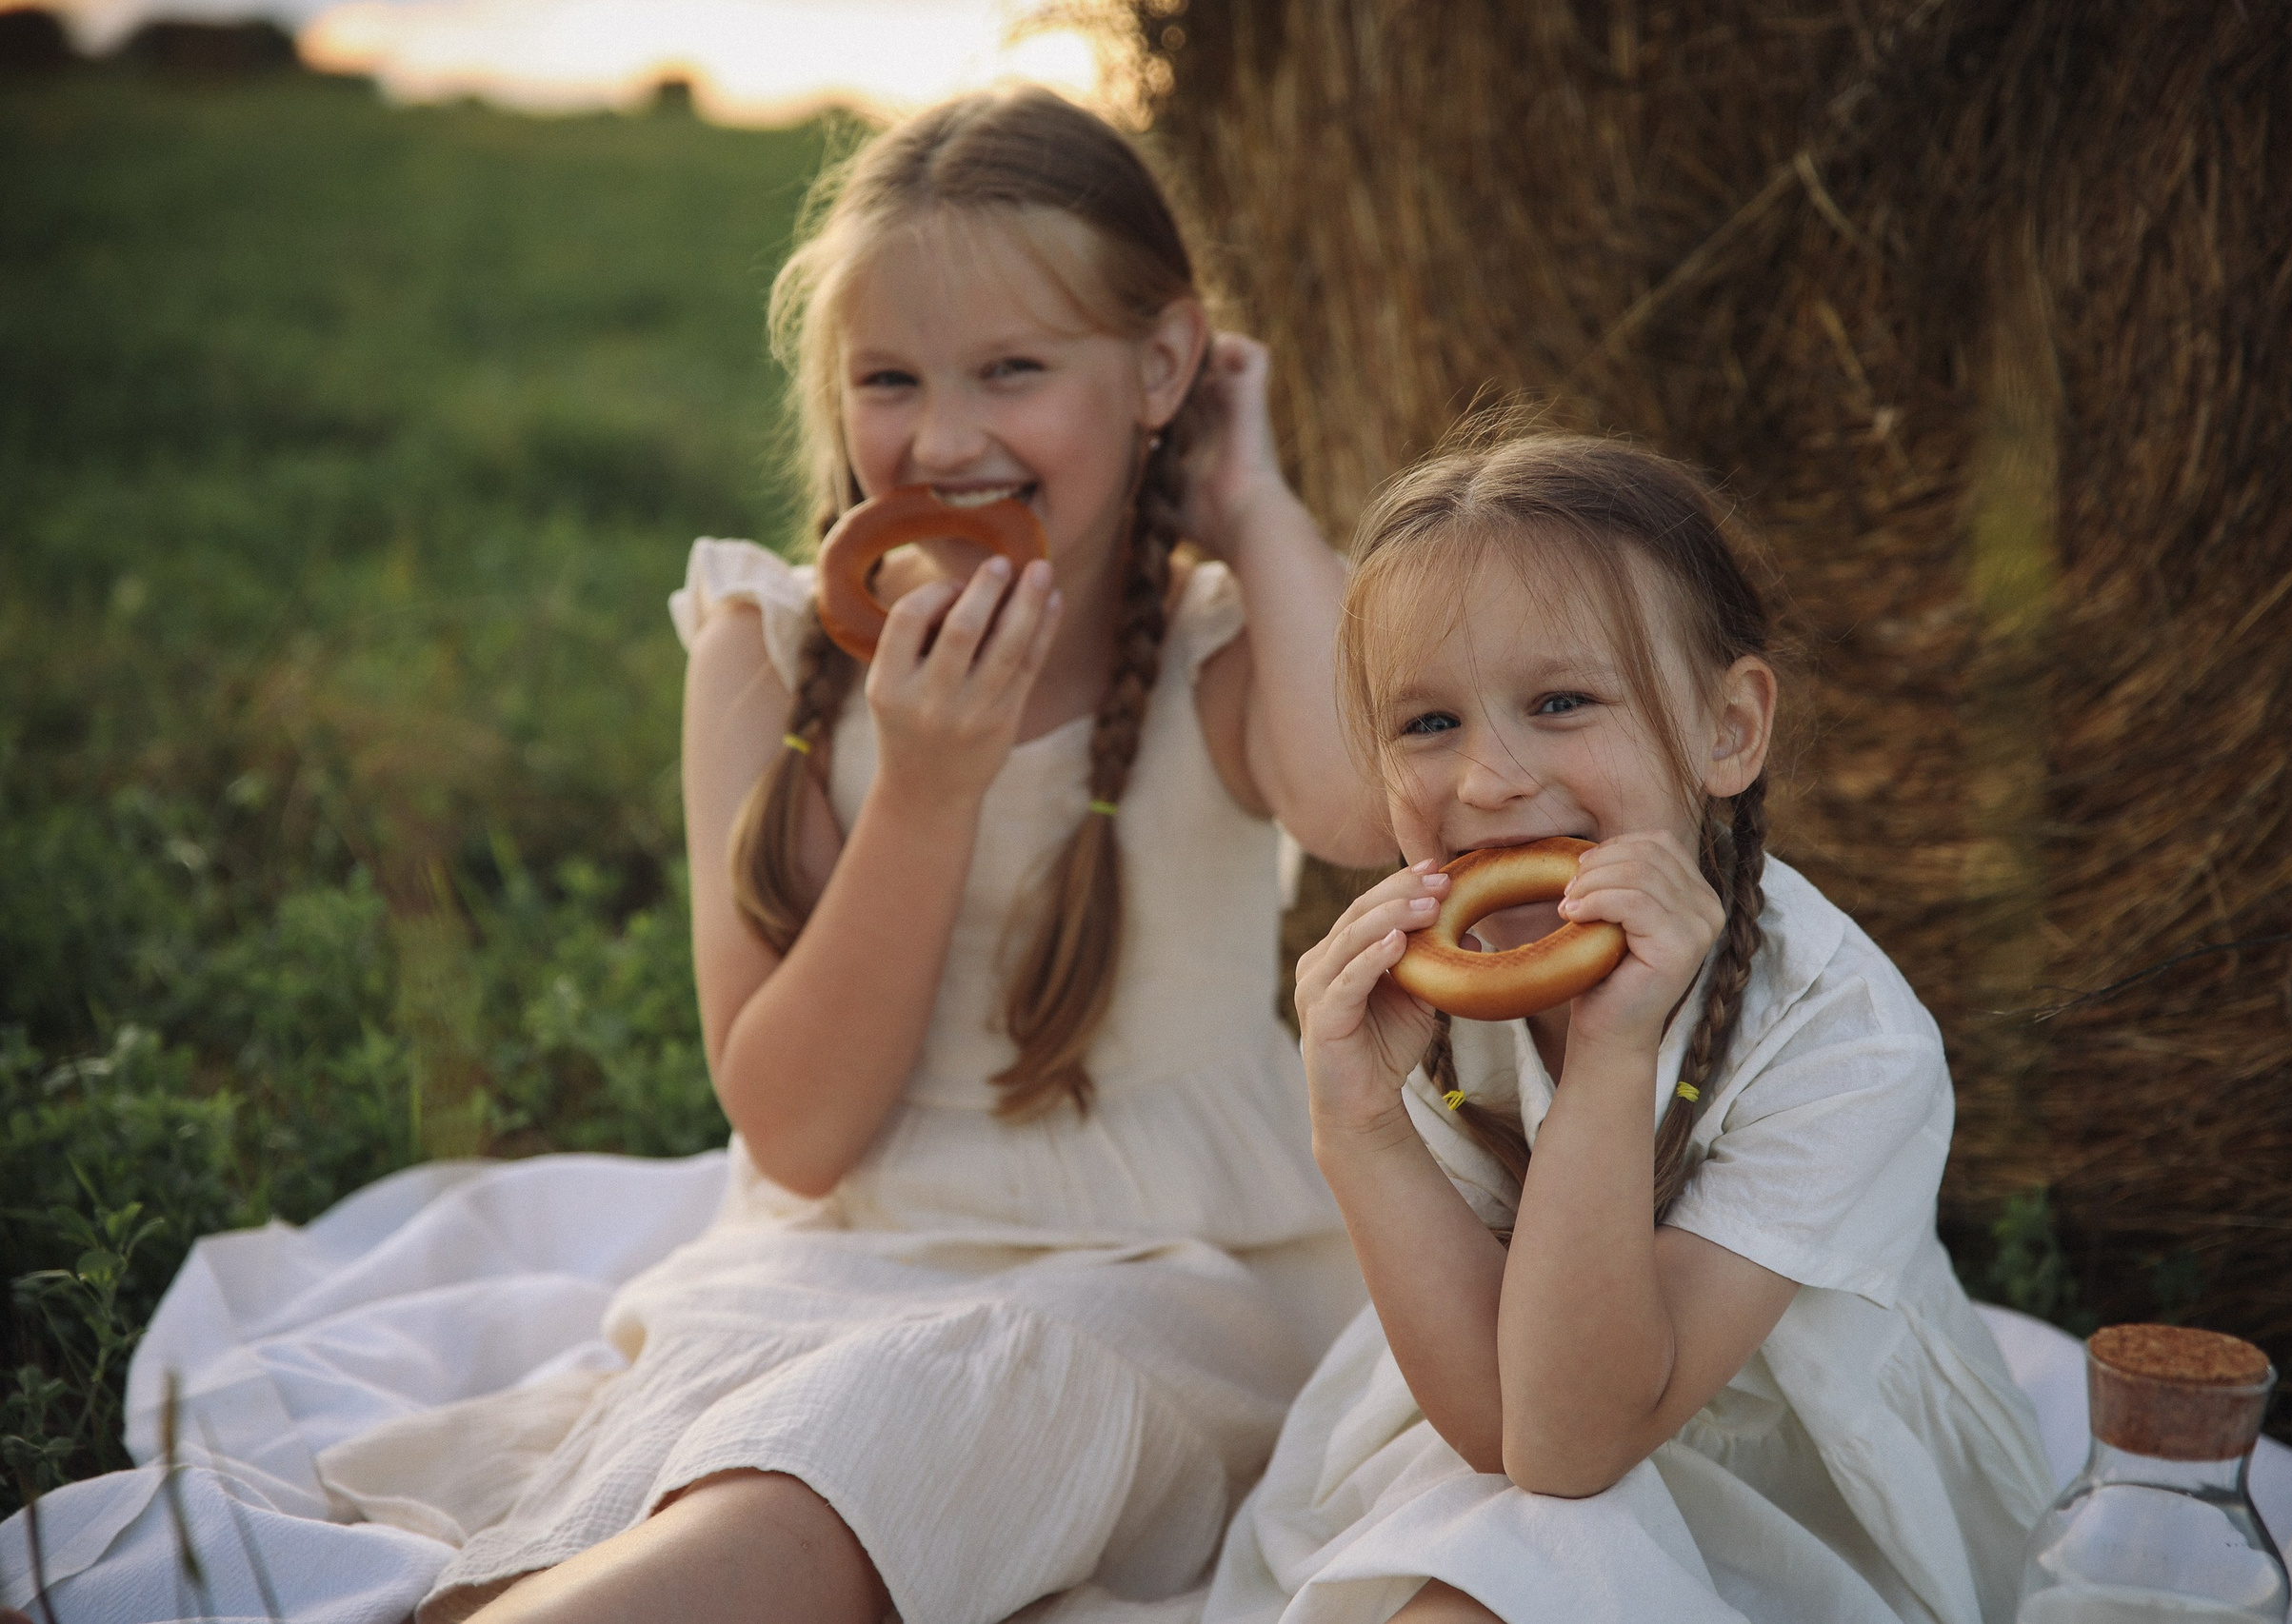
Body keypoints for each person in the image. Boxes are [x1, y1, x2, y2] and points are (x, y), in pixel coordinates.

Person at [415, 86, 1391, 1623]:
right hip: (848, 1249)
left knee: (939, 1414)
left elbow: (1361, 804)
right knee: (749, 1458)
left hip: (1169, 1268)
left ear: (1159, 367)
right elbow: (798, 1131)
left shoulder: (1216, 653)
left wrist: (1251, 495)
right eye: (889, 379)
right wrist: (925, 790)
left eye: (1013, 369)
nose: (941, 439)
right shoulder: (764, 654)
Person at [1206, 432, 2055, 1624]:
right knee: (1467, 1577)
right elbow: (1504, 1429)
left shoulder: (1846, 1039)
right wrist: (1358, 1126)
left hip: (1785, 1483)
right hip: (1500, 1413)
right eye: (1426, 724)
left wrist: (1609, 1052)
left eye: (1560, 702)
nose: (1491, 777)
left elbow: (1573, 1441)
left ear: (1727, 728)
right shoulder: (1420, 1009)